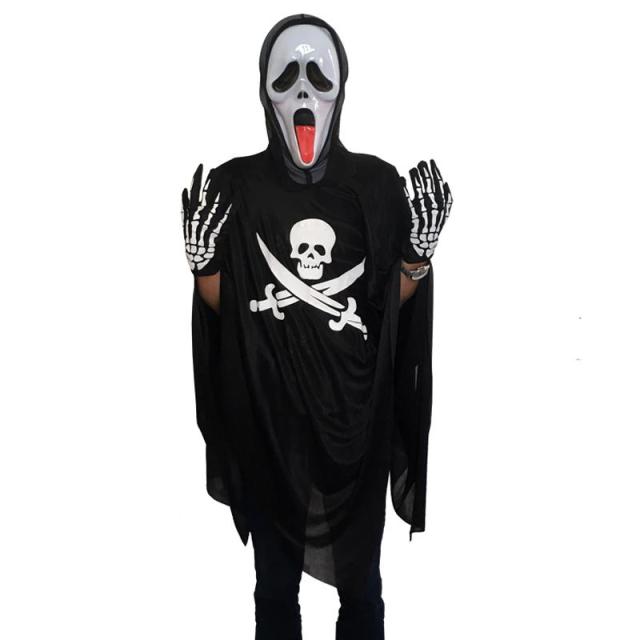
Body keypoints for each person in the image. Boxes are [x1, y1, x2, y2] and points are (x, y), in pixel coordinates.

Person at [180, 13, 452, 639]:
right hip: (269, 424)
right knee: (275, 588)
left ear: (340, 89)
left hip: (354, 424)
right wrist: (205, 268)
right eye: (287, 76)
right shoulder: (236, 188)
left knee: (362, 587)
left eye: (318, 76)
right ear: (265, 90)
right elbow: (225, 316)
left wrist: (415, 258)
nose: (303, 90)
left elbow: (391, 311)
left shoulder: (376, 187)